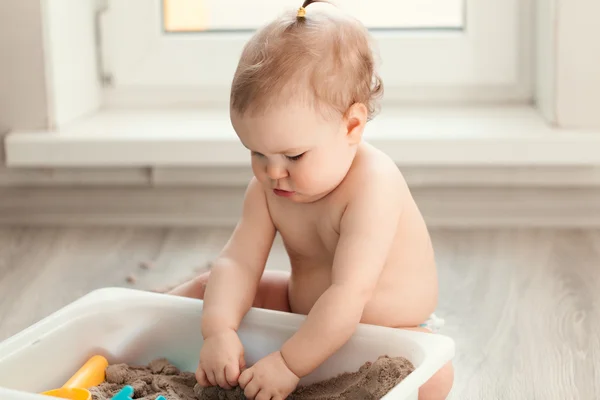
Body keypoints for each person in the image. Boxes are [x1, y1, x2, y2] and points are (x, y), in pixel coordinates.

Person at [169, 1, 454, 399]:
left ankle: (297, 371)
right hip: (299, 312)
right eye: (256, 153)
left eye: (293, 156)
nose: (273, 172)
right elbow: (239, 262)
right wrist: (218, 330)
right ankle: (138, 323)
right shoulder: (270, 188)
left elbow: (347, 294)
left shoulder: (374, 185)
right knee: (207, 288)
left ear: (351, 126)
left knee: (432, 377)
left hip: (378, 331)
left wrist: (288, 364)